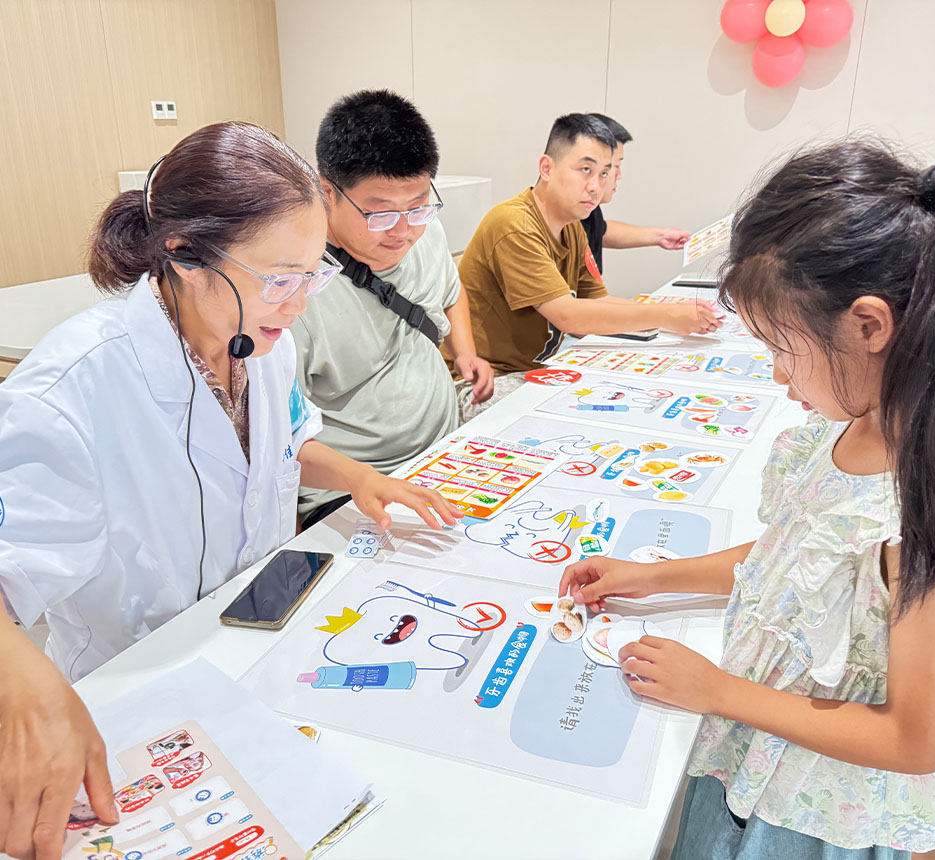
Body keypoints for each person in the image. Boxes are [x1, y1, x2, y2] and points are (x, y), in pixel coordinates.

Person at [0, 121, 457, 857]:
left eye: (312, 274)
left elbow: (287, 441)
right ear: (186, 256)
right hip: (135, 688)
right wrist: (27, 690)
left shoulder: (265, 341)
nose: (299, 303)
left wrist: (360, 477)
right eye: (279, 279)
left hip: (256, 645)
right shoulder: (69, 390)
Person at [560, 140, 935, 858]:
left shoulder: (927, 507)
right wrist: (654, 577)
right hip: (756, 751)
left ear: (869, 325)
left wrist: (718, 692)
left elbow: (917, 739)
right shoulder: (849, 427)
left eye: (783, 349)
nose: (779, 377)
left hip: (814, 808)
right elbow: (800, 559)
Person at [294, 90, 493, 526]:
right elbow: (279, 441)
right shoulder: (294, 289)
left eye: (418, 207)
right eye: (380, 214)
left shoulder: (428, 232)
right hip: (357, 491)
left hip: (446, 454)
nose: (403, 232)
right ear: (327, 193)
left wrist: (465, 352)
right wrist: (360, 481)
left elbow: (450, 291)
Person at [451, 113, 720, 420]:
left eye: (605, 173)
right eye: (585, 170)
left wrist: (673, 311)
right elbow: (568, 316)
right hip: (484, 383)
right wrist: (665, 316)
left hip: (538, 368)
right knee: (614, 411)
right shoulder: (514, 224)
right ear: (546, 168)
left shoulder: (573, 227)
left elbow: (598, 300)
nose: (595, 186)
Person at [580, 113, 691, 273]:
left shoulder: (589, 211)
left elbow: (602, 230)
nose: (619, 175)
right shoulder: (560, 224)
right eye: (616, 166)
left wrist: (661, 236)